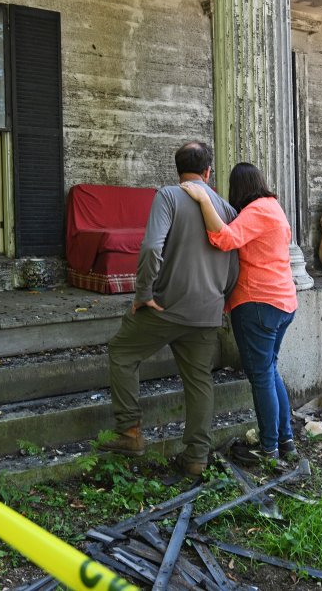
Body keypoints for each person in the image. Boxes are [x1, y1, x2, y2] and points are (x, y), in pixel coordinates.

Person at [99, 141, 239, 477]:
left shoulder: (168, 196)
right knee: (199, 381)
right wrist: (221, 297)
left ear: (177, 169)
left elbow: (150, 248)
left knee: (121, 351)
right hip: (207, 310)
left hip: (164, 306)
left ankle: (130, 432)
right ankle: (196, 457)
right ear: (208, 171)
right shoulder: (227, 209)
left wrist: (142, 292)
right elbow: (235, 265)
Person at [180, 162, 298, 467]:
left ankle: (269, 448)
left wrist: (205, 199)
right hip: (283, 301)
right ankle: (285, 442)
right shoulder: (274, 206)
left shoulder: (257, 210)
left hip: (259, 303)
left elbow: (224, 238)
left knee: (261, 376)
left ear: (239, 188)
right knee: (270, 371)